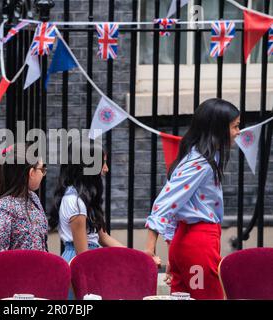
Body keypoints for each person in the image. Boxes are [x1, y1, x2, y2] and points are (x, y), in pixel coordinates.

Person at [144, 98, 240, 300]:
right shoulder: (201, 162)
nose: (239, 132)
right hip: (199, 242)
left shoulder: (197, 157)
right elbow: (167, 201)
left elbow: (178, 204)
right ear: (218, 129)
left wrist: (173, 248)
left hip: (185, 241)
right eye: (235, 126)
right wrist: (149, 248)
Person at [48, 141, 124, 265]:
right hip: (81, 262)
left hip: (87, 258)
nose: (106, 168)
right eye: (102, 163)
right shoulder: (75, 202)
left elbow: (103, 238)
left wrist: (136, 257)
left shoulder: (82, 199)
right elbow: (83, 255)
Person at [0, 143, 48, 256]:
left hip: (39, 272)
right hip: (15, 273)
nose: (43, 173)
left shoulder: (33, 198)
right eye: (42, 169)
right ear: (31, 173)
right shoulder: (1, 211)